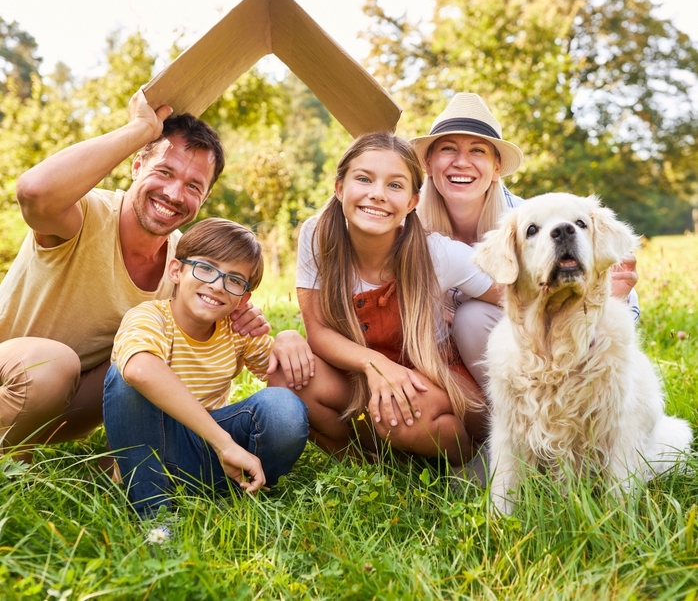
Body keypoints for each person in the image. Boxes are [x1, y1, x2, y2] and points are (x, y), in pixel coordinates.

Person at [0, 90, 269, 459]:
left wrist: (237, 315)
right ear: (137, 166)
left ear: (203, 199)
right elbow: (34, 193)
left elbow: (196, 340)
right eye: (164, 171)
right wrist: (141, 129)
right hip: (17, 373)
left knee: (149, 354)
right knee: (53, 365)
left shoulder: (184, 263)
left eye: (193, 186)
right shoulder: (87, 214)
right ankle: (14, 456)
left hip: (72, 406)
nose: (175, 194)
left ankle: (127, 462)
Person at [269, 132, 501, 465]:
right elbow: (318, 332)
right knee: (284, 377)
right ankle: (366, 465)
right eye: (363, 179)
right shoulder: (317, 236)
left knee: (395, 408)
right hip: (365, 375)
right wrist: (374, 364)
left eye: (394, 185)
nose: (377, 195)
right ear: (339, 188)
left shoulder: (438, 253)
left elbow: (514, 296)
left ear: (411, 202)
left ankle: (471, 458)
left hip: (436, 382)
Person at [412, 92, 640, 387]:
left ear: (496, 167)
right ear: (429, 164)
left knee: (471, 317)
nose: (461, 162)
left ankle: (525, 412)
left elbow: (624, 299)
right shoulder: (410, 224)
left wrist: (610, 292)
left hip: (533, 346)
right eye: (448, 149)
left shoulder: (529, 222)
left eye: (478, 151)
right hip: (441, 353)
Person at [103, 218, 310, 517]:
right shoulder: (150, 317)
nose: (217, 285)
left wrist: (287, 338)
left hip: (210, 455)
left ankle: (243, 489)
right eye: (207, 268)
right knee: (126, 377)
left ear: (244, 298)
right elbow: (138, 369)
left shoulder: (236, 329)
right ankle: (155, 513)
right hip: (153, 449)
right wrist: (223, 442)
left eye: (235, 280)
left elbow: (285, 382)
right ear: (176, 270)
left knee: (282, 408)